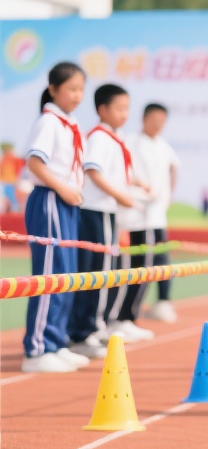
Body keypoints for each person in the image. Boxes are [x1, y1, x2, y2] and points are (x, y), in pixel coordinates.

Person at [20, 63, 87, 373]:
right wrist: (62, 188)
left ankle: (57, 342)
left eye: (81, 89)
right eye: (71, 89)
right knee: (50, 273)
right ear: (53, 90)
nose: (77, 95)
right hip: (49, 200)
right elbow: (36, 162)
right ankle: (37, 348)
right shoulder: (49, 122)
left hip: (66, 202)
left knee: (67, 273)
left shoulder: (69, 123)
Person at [67, 84, 141, 358]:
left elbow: (113, 172)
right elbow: (94, 172)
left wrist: (137, 185)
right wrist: (121, 196)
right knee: (97, 272)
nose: (125, 114)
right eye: (119, 108)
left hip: (104, 211)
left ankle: (91, 327)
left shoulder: (113, 139)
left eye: (127, 109)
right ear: (102, 110)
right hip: (96, 211)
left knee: (102, 271)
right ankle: (86, 331)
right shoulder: (100, 138)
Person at [109, 103, 182, 334]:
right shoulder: (131, 142)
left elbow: (174, 168)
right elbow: (122, 173)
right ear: (144, 118)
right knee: (134, 267)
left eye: (162, 119)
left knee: (152, 265)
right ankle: (122, 317)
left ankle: (131, 316)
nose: (157, 123)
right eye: (154, 118)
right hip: (135, 214)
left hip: (155, 215)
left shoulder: (163, 146)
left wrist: (167, 196)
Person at [1, 142, 25, 213]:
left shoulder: (14, 159)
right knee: (8, 200)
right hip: (6, 183)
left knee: (14, 200)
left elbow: (22, 164)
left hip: (12, 183)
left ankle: (15, 212)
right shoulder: (4, 160)